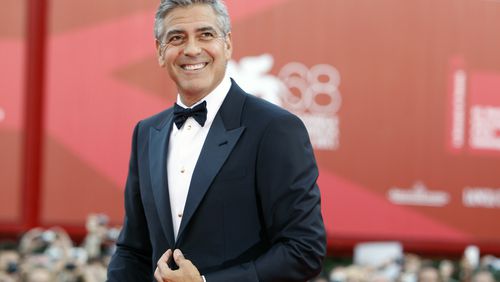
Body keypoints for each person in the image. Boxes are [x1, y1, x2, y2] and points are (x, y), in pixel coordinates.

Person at [107, 0, 326, 281]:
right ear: (160, 52)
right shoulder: (147, 133)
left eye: (205, 35)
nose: (192, 49)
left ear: (228, 44)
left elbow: (304, 249)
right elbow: (133, 251)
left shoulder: (274, 129)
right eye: (176, 38)